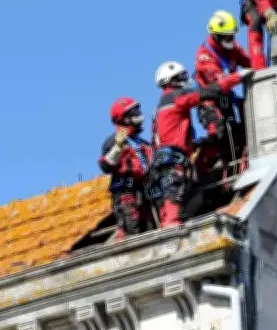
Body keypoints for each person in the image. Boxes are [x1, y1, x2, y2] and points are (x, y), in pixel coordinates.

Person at [149, 60, 252, 227]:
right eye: (181, 77)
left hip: (162, 162)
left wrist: (197, 143)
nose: (185, 80)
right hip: (173, 162)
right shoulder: (176, 97)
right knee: (173, 206)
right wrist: (237, 77)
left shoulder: (161, 106)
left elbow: (168, 134)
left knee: (170, 204)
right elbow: (209, 92)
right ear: (171, 80)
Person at [193, 10, 251, 157]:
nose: (230, 39)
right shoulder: (204, 55)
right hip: (209, 101)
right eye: (226, 36)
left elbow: (248, 62)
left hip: (227, 98)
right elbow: (220, 83)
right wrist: (239, 76)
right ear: (216, 35)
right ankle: (217, 161)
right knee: (220, 134)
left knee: (242, 127)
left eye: (232, 36)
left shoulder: (233, 47)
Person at [98, 97, 154, 240]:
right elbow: (105, 165)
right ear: (123, 117)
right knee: (132, 233)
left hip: (145, 191)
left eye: (137, 110)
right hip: (126, 194)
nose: (138, 114)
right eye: (133, 112)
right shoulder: (114, 141)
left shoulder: (142, 142)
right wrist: (118, 148)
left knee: (150, 230)